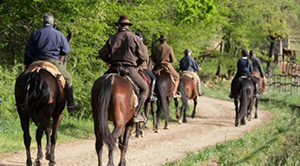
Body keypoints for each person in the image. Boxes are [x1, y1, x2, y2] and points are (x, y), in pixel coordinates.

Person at [24, 13, 81, 113]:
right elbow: (66, 50)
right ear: (52, 22)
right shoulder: (59, 34)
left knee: (22, 79)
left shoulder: (36, 33)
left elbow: (28, 51)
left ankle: (22, 103)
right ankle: (71, 104)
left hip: (36, 61)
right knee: (68, 79)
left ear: (43, 22)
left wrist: (27, 64)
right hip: (53, 62)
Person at [98, 16, 149, 122]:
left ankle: (98, 112)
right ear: (128, 26)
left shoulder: (113, 37)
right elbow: (144, 56)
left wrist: (108, 61)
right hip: (130, 69)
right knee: (145, 88)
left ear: (119, 25)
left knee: (99, 85)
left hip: (113, 68)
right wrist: (137, 64)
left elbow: (102, 53)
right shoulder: (135, 38)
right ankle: (137, 114)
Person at [135, 32, 157, 101]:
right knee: (153, 78)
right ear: (142, 39)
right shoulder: (144, 47)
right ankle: (151, 95)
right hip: (142, 67)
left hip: (131, 67)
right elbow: (146, 59)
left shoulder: (130, 45)